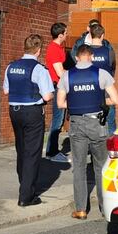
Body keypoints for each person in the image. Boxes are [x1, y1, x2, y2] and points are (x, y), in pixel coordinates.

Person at [58, 44, 118, 219]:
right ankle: (104, 207)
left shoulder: (67, 76)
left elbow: (61, 104)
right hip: (97, 123)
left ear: (77, 57)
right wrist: (100, 102)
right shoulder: (101, 74)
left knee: (79, 167)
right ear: (91, 56)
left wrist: (77, 104)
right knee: (101, 166)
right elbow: (115, 100)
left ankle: (81, 209)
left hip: (77, 123)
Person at [3, 34, 55, 207]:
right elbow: (47, 95)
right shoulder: (40, 69)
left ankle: (23, 183)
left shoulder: (11, 66)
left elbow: (5, 91)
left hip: (14, 111)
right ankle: (26, 196)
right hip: (32, 111)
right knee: (32, 153)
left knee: (21, 149)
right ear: (39, 50)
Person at [44, 23, 71, 163]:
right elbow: (60, 72)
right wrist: (75, 74)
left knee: (59, 120)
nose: (67, 35)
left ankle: (53, 151)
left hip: (60, 86)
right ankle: (51, 152)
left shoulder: (58, 48)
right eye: (66, 32)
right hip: (57, 87)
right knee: (57, 120)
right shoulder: (54, 49)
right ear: (60, 34)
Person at [86, 24, 117, 133]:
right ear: (102, 35)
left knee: (89, 120)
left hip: (88, 90)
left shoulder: (84, 52)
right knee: (110, 120)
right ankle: (111, 147)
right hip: (106, 90)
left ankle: (91, 147)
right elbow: (113, 69)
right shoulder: (109, 52)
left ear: (90, 35)